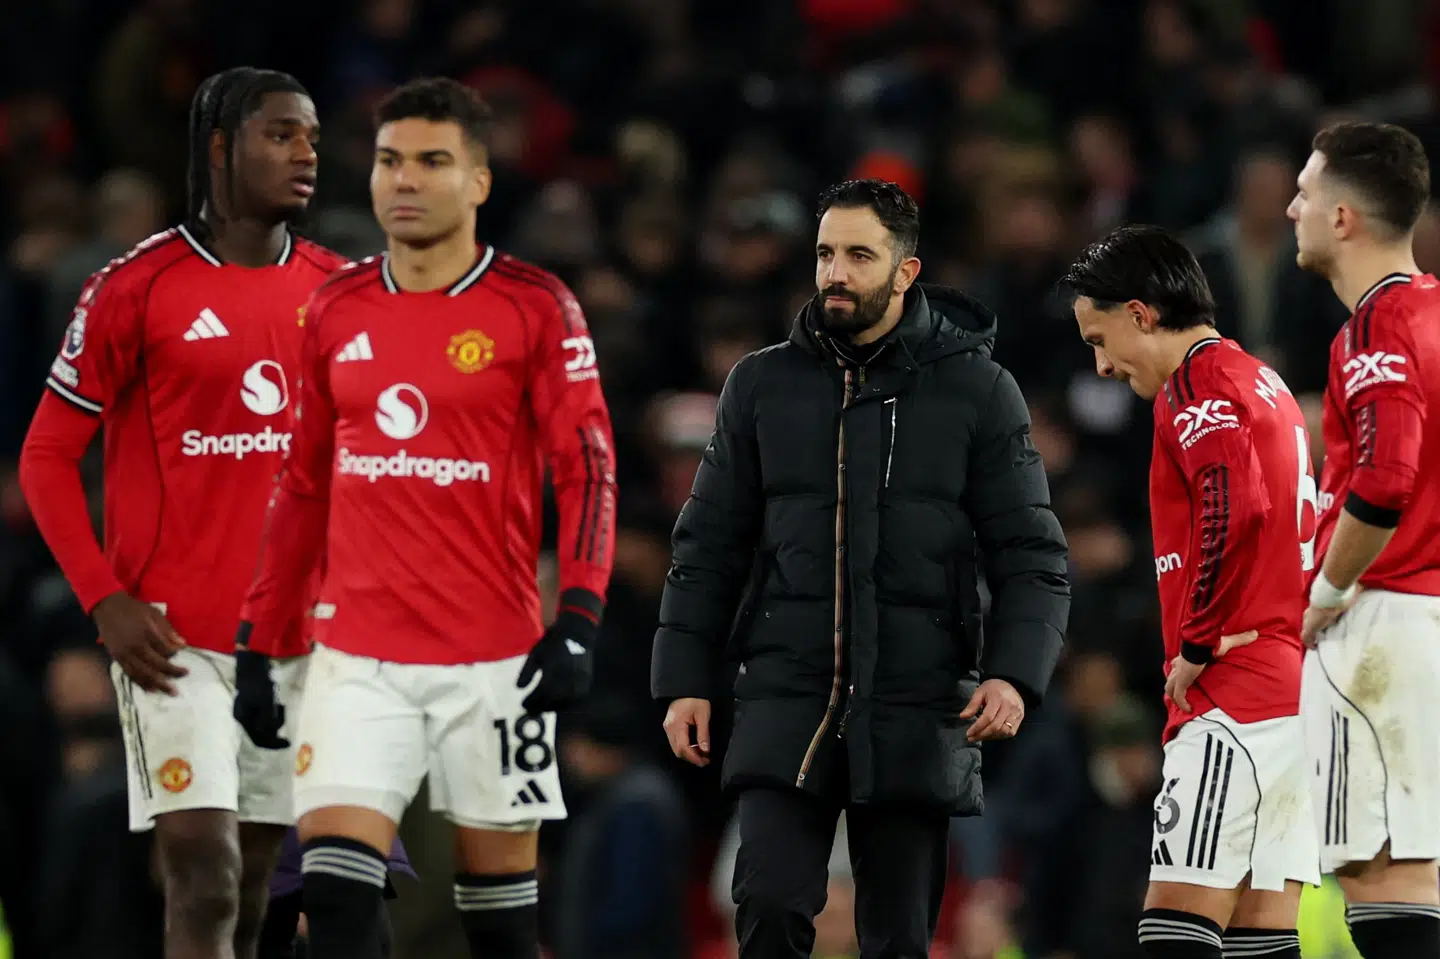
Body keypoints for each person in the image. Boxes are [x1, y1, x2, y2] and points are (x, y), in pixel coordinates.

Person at [231, 76, 617, 959]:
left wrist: (581, 617)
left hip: (495, 661)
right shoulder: (336, 306)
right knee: (329, 899)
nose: (404, 180)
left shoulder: (534, 307)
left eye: (432, 162)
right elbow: (301, 486)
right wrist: (261, 638)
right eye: (389, 160)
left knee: (503, 927)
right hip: (354, 660)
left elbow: (587, 467)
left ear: (479, 182)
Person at [651, 178, 1071, 958]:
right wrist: (683, 678)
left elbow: (1031, 552)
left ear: (905, 271)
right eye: (824, 254)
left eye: (857, 255)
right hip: (786, 693)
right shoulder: (760, 384)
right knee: (769, 908)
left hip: (917, 702)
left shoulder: (979, 391)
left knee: (897, 938)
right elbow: (706, 546)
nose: (834, 272)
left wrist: (1015, 673)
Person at [17, 68, 343, 959]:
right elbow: (45, 456)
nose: (306, 153)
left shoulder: (346, 291)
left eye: (311, 135)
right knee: (202, 864)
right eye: (281, 135)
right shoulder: (134, 288)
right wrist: (103, 597)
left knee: (262, 883)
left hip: (295, 639)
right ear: (219, 149)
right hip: (172, 636)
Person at [1061, 224, 1321, 959]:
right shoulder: (1260, 379)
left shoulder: (1196, 383)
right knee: (1260, 942)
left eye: (1100, 338)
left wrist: (1199, 640)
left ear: (1141, 313)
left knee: (1173, 931)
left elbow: (1232, 504)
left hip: (1234, 696)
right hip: (1291, 688)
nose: (1103, 364)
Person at [1287, 120, 1440, 959]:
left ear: (1343, 217)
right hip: (1430, 623)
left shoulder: (1377, 326)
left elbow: (1385, 479)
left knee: (1389, 886)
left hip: (1386, 627)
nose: (1291, 207)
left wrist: (1324, 592)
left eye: (1306, 192)